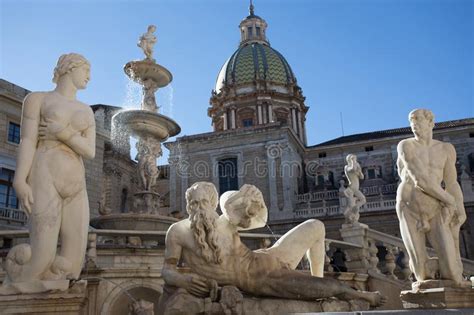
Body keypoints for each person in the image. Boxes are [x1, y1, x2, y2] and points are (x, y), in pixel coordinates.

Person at [162, 182, 385, 306]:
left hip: (267, 260)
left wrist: (252, 200)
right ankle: (362, 296)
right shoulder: (178, 232)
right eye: (193, 204)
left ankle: (325, 280)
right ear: (188, 205)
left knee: (316, 226)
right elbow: (167, 270)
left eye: (203, 202)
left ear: (212, 203)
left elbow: (252, 216)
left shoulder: (225, 221)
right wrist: (184, 279)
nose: (198, 208)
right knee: (328, 288)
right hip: (262, 278)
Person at [3, 53, 95, 292]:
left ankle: (60, 301)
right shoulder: (37, 100)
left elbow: (90, 151)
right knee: (42, 255)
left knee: (73, 262)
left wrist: (63, 132)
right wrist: (20, 180)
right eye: (86, 70)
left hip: (76, 183)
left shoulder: (86, 110)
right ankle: (18, 282)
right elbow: (27, 140)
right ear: (69, 68)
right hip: (45, 174)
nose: (89, 76)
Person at [396, 109, 466, 286]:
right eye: (412, 121)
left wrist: (460, 207)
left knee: (451, 269)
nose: (414, 124)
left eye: (419, 120)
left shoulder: (445, 149)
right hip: (409, 207)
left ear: (431, 122)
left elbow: (452, 183)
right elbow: (420, 180)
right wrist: (450, 201)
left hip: (435, 206)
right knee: (422, 272)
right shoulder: (406, 145)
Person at [343, 154, 366, 223]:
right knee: (351, 205)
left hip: (356, 189)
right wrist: (353, 162)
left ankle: (355, 208)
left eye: (355, 158)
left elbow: (362, 177)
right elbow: (352, 169)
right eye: (353, 158)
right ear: (349, 160)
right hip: (351, 188)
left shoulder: (355, 169)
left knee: (363, 200)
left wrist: (359, 170)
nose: (355, 160)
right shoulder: (347, 167)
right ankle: (350, 217)